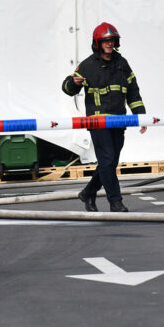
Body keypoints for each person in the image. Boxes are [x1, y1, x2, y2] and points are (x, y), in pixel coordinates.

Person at [62, 22, 146, 213]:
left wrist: (141, 117)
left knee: (109, 163)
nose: (109, 43)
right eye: (105, 40)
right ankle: (115, 202)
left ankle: (89, 192)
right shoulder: (88, 65)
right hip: (98, 123)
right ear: (98, 43)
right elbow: (67, 89)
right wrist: (73, 82)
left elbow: (133, 91)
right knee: (107, 160)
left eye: (112, 40)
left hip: (119, 121)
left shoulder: (122, 63)